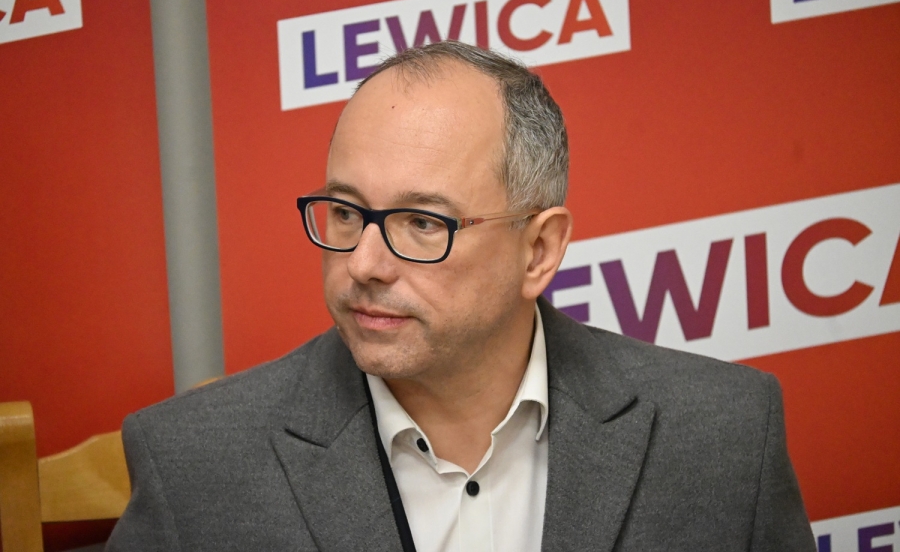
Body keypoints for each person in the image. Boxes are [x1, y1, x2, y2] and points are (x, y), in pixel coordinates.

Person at [107, 41, 816, 551]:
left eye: (423, 223)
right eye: (347, 211)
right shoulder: (191, 466)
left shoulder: (724, 434)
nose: (363, 263)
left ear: (538, 250)